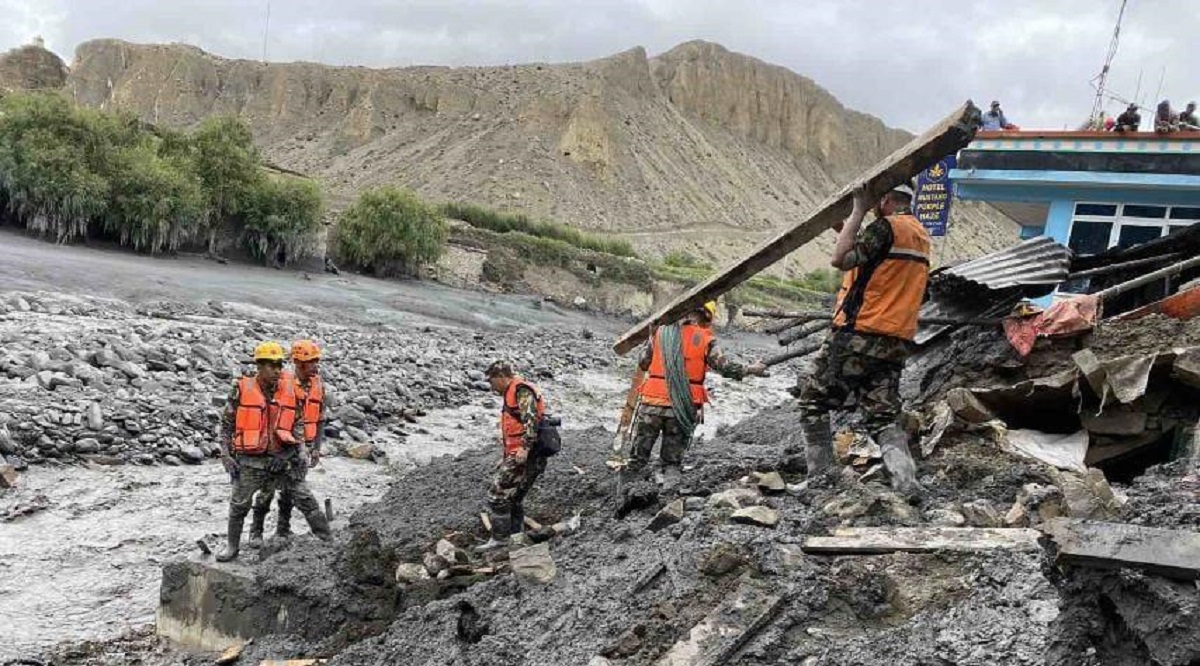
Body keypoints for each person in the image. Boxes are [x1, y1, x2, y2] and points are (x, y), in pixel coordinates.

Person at [797, 183, 930, 499]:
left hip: (859, 336)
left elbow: (842, 258)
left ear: (884, 199)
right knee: (882, 414)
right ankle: (905, 481)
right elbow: (875, 258)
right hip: (895, 341)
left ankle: (821, 479)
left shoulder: (885, 227)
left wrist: (857, 208)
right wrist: (845, 226)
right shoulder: (919, 234)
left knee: (813, 399)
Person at [629, 302, 768, 491]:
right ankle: (668, 497)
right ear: (706, 317)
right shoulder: (706, 339)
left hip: (651, 403)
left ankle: (627, 494)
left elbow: (644, 363)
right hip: (682, 409)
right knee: (672, 463)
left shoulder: (660, 333)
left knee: (637, 458)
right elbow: (725, 367)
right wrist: (752, 369)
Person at [217, 341, 331, 562]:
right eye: (272, 366)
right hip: (250, 461)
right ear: (259, 366)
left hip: (283, 459)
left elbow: (298, 428)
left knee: (305, 497)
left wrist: (286, 455)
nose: (278, 370)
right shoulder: (240, 388)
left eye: (280, 365)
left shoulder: (290, 391)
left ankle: (329, 541)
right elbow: (226, 424)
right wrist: (225, 454)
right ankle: (233, 546)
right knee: (240, 504)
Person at [247, 340, 327, 547]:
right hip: (277, 447)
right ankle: (256, 532)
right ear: (299, 363)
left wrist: (315, 448)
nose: (316, 365)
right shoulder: (282, 384)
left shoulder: (318, 385)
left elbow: (320, 418)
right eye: (313, 361)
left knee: (291, 491)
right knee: (266, 491)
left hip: (302, 447)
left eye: (317, 361)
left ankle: (283, 529)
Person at [479, 360, 549, 550]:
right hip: (519, 453)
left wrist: (525, 448)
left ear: (501, 377)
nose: (491, 388)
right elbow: (512, 429)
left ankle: (500, 539)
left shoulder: (521, 390)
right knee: (514, 497)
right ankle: (516, 538)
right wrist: (505, 455)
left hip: (527, 453)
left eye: (492, 382)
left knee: (497, 496)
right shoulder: (513, 392)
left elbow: (531, 421)